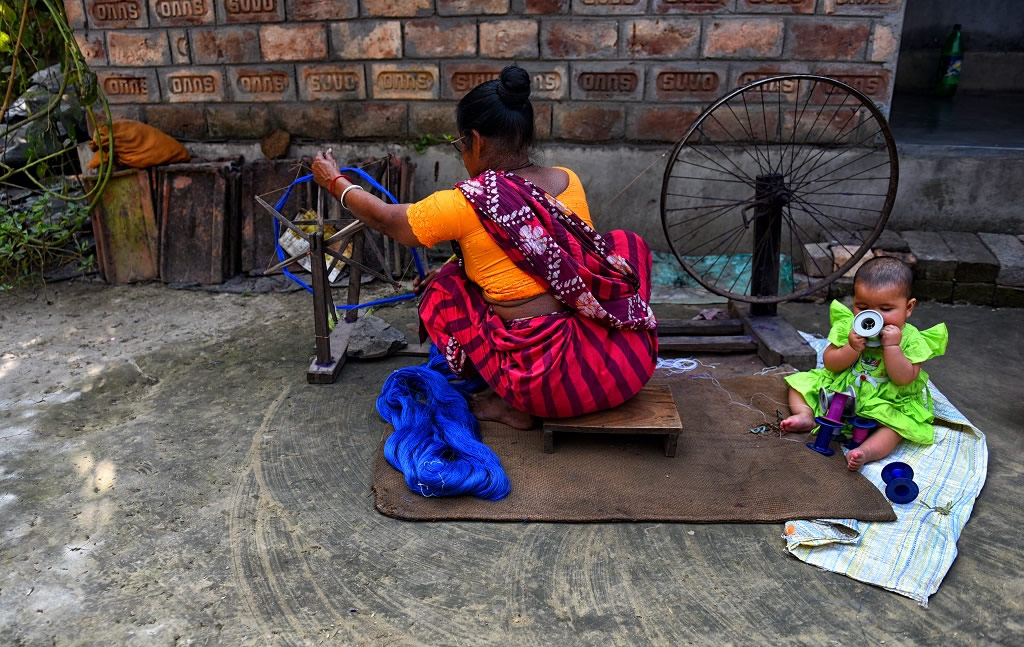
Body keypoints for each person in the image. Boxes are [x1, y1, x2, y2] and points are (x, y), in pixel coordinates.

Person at [311, 65, 658, 429]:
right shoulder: (567, 180)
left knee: (442, 287)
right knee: (625, 244)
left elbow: (385, 219)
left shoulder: (466, 203)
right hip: (627, 363)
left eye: (460, 144)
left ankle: (515, 405)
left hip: (548, 386)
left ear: (475, 141)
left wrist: (334, 181)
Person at [779, 256, 948, 471]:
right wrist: (851, 348)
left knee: (897, 427)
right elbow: (830, 363)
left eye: (886, 309)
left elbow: (905, 378)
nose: (873, 317)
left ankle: (866, 451)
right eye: (863, 307)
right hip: (842, 391)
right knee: (800, 383)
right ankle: (806, 415)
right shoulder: (850, 327)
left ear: (908, 307)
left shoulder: (912, 339)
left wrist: (892, 348)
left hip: (884, 400)